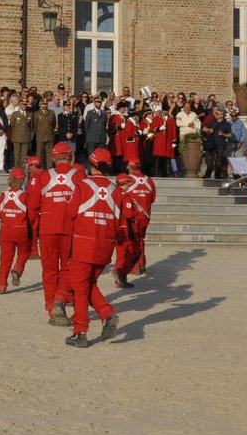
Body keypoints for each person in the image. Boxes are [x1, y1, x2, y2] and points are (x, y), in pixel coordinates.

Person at [60, 147, 129, 348]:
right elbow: (119, 221)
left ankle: (80, 331)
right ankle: (106, 314)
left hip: (84, 242)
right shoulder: (116, 190)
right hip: (105, 246)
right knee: (88, 284)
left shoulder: (82, 185)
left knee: (80, 288)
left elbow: (71, 214)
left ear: (91, 165)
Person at [29, 141, 82, 326]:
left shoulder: (44, 176)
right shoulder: (79, 174)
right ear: (71, 157)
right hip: (71, 228)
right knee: (68, 267)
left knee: (49, 270)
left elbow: (33, 205)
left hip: (47, 229)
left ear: (53, 158)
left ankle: (51, 307)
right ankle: (62, 297)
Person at [114, 159, 156, 287]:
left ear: (130, 167)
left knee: (130, 245)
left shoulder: (126, 180)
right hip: (145, 215)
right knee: (140, 240)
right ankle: (141, 264)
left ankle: (134, 267)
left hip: (131, 219)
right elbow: (153, 199)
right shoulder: (149, 180)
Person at [0, 167, 33, 294]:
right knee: (24, 253)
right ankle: (18, 269)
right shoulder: (25, 196)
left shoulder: (3, 195)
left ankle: (1, 285)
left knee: (5, 259)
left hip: (6, 230)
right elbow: (30, 215)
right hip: (21, 230)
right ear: (22, 181)